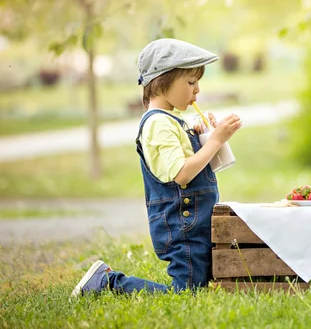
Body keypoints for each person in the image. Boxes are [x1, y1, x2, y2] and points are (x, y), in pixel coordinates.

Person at [71, 38, 242, 296]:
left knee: (201, 284)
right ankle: (107, 282)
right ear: (163, 81)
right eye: (191, 82)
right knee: (187, 293)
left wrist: (202, 134)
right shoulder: (158, 124)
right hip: (182, 225)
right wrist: (217, 139)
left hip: (195, 222)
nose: (197, 91)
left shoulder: (173, 120)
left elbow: (192, 162)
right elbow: (183, 173)